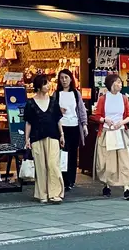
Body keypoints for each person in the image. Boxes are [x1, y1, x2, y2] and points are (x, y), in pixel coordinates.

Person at [92, 74, 129, 200]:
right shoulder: (103, 99)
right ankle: (107, 184)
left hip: (120, 131)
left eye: (120, 82)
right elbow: (96, 115)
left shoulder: (124, 98)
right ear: (111, 84)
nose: (120, 85)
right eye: (117, 82)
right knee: (107, 160)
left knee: (124, 160)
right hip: (107, 131)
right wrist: (105, 119)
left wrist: (121, 122)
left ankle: (126, 188)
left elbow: (128, 115)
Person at [24, 73, 65, 203]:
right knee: (40, 166)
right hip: (36, 137)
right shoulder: (30, 103)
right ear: (39, 86)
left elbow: (58, 119)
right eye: (45, 83)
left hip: (53, 135)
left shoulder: (53, 101)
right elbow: (28, 122)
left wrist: (62, 134)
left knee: (53, 164)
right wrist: (27, 139)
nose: (48, 85)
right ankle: (43, 194)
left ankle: (55, 193)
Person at [54, 69, 88, 191]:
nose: (64, 80)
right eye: (62, 78)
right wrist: (59, 111)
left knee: (73, 154)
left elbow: (81, 109)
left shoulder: (75, 93)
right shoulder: (56, 94)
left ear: (70, 79)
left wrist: (84, 124)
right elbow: (52, 110)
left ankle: (71, 180)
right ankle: (62, 179)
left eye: (66, 78)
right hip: (61, 127)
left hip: (74, 126)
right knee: (62, 153)